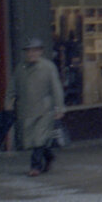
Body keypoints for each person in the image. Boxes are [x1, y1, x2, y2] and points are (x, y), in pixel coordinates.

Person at [6, 36, 64, 177]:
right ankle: (49, 156)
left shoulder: (48, 67)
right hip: (26, 109)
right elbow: (12, 87)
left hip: (44, 109)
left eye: (34, 51)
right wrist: (8, 102)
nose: (31, 54)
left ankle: (35, 166)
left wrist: (59, 107)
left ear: (40, 52)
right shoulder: (21, 68)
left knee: (38, 138)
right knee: (31, 140)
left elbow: (56, 88)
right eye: (29, 51)